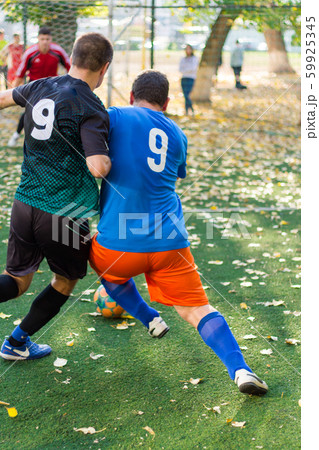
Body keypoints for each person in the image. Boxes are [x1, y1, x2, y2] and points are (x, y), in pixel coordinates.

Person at [89, 70, 268, 396]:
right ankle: (240, 369)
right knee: (198, 310)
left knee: (100, 264)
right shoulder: (178, 135)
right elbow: (175, 173)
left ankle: (148, 317)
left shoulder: (114, 116)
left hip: (119, 244)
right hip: (170, 241)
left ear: (131, 96)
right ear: (168, 102)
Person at [0, 32, 113, 360]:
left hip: (24, 203)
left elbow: (3, 98)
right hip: (64, 214)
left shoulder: (40, 86)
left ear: (73, 57)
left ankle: (17, 343)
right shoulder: (91, 106)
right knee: (64, 281)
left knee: (16, 281)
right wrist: (110, 158)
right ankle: (17, 342)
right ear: (104, 68)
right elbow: (96, 167)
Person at [7, 26, 70, 147]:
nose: (45, 41)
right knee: (30, 112)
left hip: (53, 86)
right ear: (38, 39)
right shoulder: (30, 53)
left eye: (47, 39)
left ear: (51, 39)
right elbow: (20, 73)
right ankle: (16, 135)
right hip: (34, 86)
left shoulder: (58, 51)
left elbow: (70, 67)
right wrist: (12, 92)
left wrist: (70, 85)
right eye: (42, 39)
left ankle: (55, 141)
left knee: (55, 112)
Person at [179, 44, 198, 116]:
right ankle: (188, 110)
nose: (188, 50)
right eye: (186, 49)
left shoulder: (194, 58)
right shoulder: (183, 59)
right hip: (184, 78)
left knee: (187, 95)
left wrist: (186, 69)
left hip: (191, 78)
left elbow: (193, 68)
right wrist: (187, 69)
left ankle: (190, 110)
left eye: (189, 49)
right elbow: (180, 69)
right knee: (185, 95)